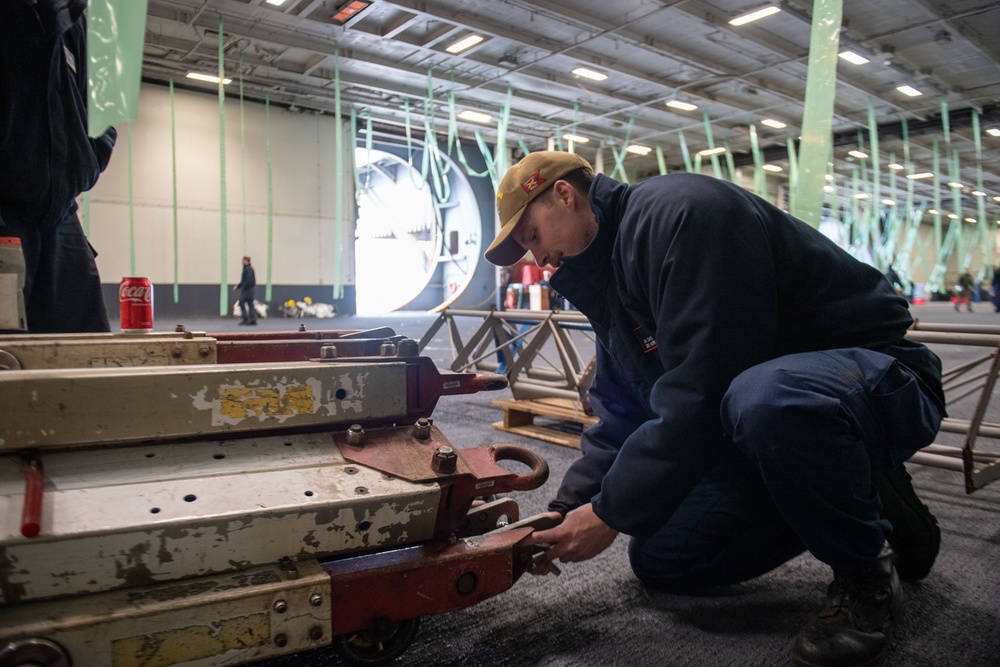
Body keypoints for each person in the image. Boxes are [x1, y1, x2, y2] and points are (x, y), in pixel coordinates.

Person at [484, 152, 945, 667]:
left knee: (764, 398)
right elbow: (623, 411)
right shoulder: (609, 278)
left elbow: (703, 390)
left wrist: (611, 513)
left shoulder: (685, 215)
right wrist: (570, 508)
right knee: (665, 556)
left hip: (875, 380)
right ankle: (860, 493)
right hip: (766, 417)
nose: (537, 258)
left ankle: (865, 575)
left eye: (532, 236)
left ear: (564, 196)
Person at [1, 0, 118, 333]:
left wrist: (87, 161)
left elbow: (101, 112)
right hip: (5, 216)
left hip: (61, 220)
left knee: (86, 358)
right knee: (8, 361)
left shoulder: (74, 19)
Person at [233, 256, 256, 325]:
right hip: (250, 289)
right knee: (250, 304)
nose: (241, 262)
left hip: (247, 289)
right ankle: (252, 319)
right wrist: (238, 286)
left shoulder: (247, 269)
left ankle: (245, 318)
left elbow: (246, 280)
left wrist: (242, 287)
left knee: (241, 302)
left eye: (243, 260)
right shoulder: (249, 269)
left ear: (246, 261)